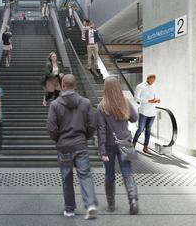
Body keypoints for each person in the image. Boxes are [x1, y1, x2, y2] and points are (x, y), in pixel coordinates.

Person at [46, 74, 98, 219]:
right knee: (85, 175)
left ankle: (69, 209)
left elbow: (51, 127)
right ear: (75, 86)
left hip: (64, 146)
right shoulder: (86, 103)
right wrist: (85, 137)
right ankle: (90, 205)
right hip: (80, 144)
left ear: (62, 85)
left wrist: (58, 138)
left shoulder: (55, 104)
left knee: (66, 177)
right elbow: (92, 124)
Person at [97, 76, 139, 215]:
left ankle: (111, 204)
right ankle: (133, 201)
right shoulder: (125, 102)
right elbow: (134, 118)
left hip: (109, 146)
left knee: (109, 174)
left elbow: (101, 130)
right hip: (125, 143)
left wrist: (102, 150)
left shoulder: (102, 106)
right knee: (127, 173)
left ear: (106, 88)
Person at [133, 74, 160, 154]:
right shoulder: (140, 86)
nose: (152, 82)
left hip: (152, 112)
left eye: (153, 81)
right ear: (147, 79)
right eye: (151, 80)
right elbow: (136, 98)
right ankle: (133, 144)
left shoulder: (154, 86)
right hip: (143, 111)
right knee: (140, 129)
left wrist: (157, 99)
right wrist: (148, 101)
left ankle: (145, 147)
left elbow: (156, 96)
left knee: (148, 130)